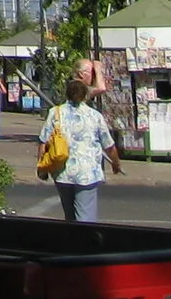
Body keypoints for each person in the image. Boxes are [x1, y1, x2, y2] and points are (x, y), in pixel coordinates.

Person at [43, 76, 120, 223]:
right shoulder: (94, 116)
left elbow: (43, 141)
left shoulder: (55, 112)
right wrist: (116, 163)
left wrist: (43, 168)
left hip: (62, 171)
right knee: (85, 217)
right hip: (87, 173)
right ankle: (84, 242)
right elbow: (109, 145)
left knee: (70, 215)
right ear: (86, 95)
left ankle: (73, 241)